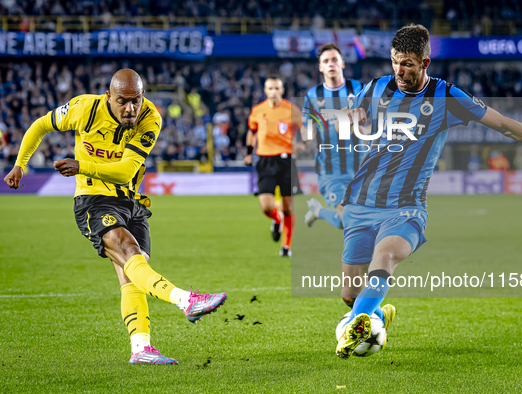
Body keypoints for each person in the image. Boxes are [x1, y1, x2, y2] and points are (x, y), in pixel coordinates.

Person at [335, 25, 522, 359]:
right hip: (362, 202)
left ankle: (357, 327)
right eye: (396, 62)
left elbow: (505, 126)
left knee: (386, 258)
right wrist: (350, 119)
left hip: (406, 207)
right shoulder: (377, 86)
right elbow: (349, 119)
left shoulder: (447, 97)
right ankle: (376, 314)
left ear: (425, 62)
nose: (400, 70)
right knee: (351, 294)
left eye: (408, 63)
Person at [4, 69, 227, 365]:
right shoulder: (85, 108)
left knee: (133, 274)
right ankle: (186, 301)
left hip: (129, 200)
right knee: (128, 251)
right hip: (93, 200)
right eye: (123, 101)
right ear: (109, 96)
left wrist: (82, 165)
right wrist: (20, 164)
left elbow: (125, 170)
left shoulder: (150, 118)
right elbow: (41, 125)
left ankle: (140, 348)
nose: (130, 108)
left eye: (136, 100)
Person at [302, 43, 364, 231]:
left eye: (334, 60)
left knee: (354, 221)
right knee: (349, 220)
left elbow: (370, 124)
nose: (331, 64)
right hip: (331, 169)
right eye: (326, 61)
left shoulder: (359, 89)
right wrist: (305, 138)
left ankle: (318, 211)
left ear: (342, 63)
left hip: (359, 166)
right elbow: (308, 132)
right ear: (320, 67)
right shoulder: (312, 96)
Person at [244, 75, 303, 257]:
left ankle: (286, 246)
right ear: (265, 91)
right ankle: (276, 220)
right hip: (265, 161)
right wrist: (248, 152)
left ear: (282, 90)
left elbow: (306, 131)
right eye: (270, 88)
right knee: (267, 207)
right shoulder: (257, 110)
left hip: (286, 161)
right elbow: (252, 132)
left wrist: (303, 144)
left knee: (288, 208)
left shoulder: (292, 110)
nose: (274, 92)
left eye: (277, 88)